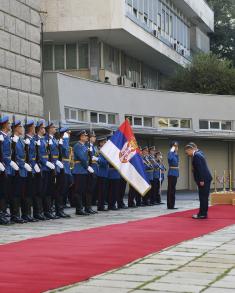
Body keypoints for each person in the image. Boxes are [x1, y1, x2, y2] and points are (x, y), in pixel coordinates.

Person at [185, 143, 212, 219]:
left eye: (187, 152)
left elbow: (200, 169)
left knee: (203, 197)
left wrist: (201, 180)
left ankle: (202, 214)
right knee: (204, 197)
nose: (187, 154)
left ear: (190, 149)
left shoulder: (196, 155)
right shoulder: (199, 153)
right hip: (206, 178)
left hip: (203, 179)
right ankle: (203, 213)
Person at [73, 130, 94, 216]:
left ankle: (85, 207)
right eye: (85, 136)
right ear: (81, 137)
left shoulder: (85, 146)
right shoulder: (77, 146)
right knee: (78, 191)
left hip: (84, 171)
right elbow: (82, 158)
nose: (87, 137)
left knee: (84, 190)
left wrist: (90, 151)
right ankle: (79, 209)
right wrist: (87, 167)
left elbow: (89, 158)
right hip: (79, 170)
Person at [0, 115, 12, 225]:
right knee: (2, 192)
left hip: (7, 167)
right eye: (8, 123)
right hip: (2, 167)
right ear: (4, 125)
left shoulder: (6, 137)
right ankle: (1, 214)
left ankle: (3, 213)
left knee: (5, 192)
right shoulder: (1, 136)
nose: (9, 125)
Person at [96, 136, 109, 211]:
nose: (105, 143)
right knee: (101, 190)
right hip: (100, 172)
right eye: (104, 142)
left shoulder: (105, 151)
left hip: (105, 172)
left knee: (104, 190)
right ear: (100, 143)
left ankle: (102, 205)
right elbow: (102, 162)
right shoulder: (99, 151)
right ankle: (100, 206)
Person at [167, 141, 179, 209]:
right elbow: (169, 158)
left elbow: (177, 163)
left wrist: (175, 153)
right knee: (170, 190)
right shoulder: (170, 153)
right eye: (175, 146)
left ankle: (172, 205)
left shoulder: (176, 154)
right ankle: (170, 205)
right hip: (171, 173)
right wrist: (172, 150)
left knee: (173, 190)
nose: (177, 147)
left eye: (177, 146)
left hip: (175, 173)